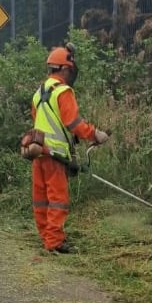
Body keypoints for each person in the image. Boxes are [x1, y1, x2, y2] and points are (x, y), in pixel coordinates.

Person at [30, 44, 110, 253]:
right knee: (58, 199)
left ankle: (46, 236)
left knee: (41, 199)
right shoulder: (63, 91)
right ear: (65, 69)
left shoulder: (39, 93)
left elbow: (39, 120)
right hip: (55, 155)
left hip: (38, 152)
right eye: (71, 70)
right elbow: (74, 123)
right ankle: (54, 242)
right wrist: (95, 134)